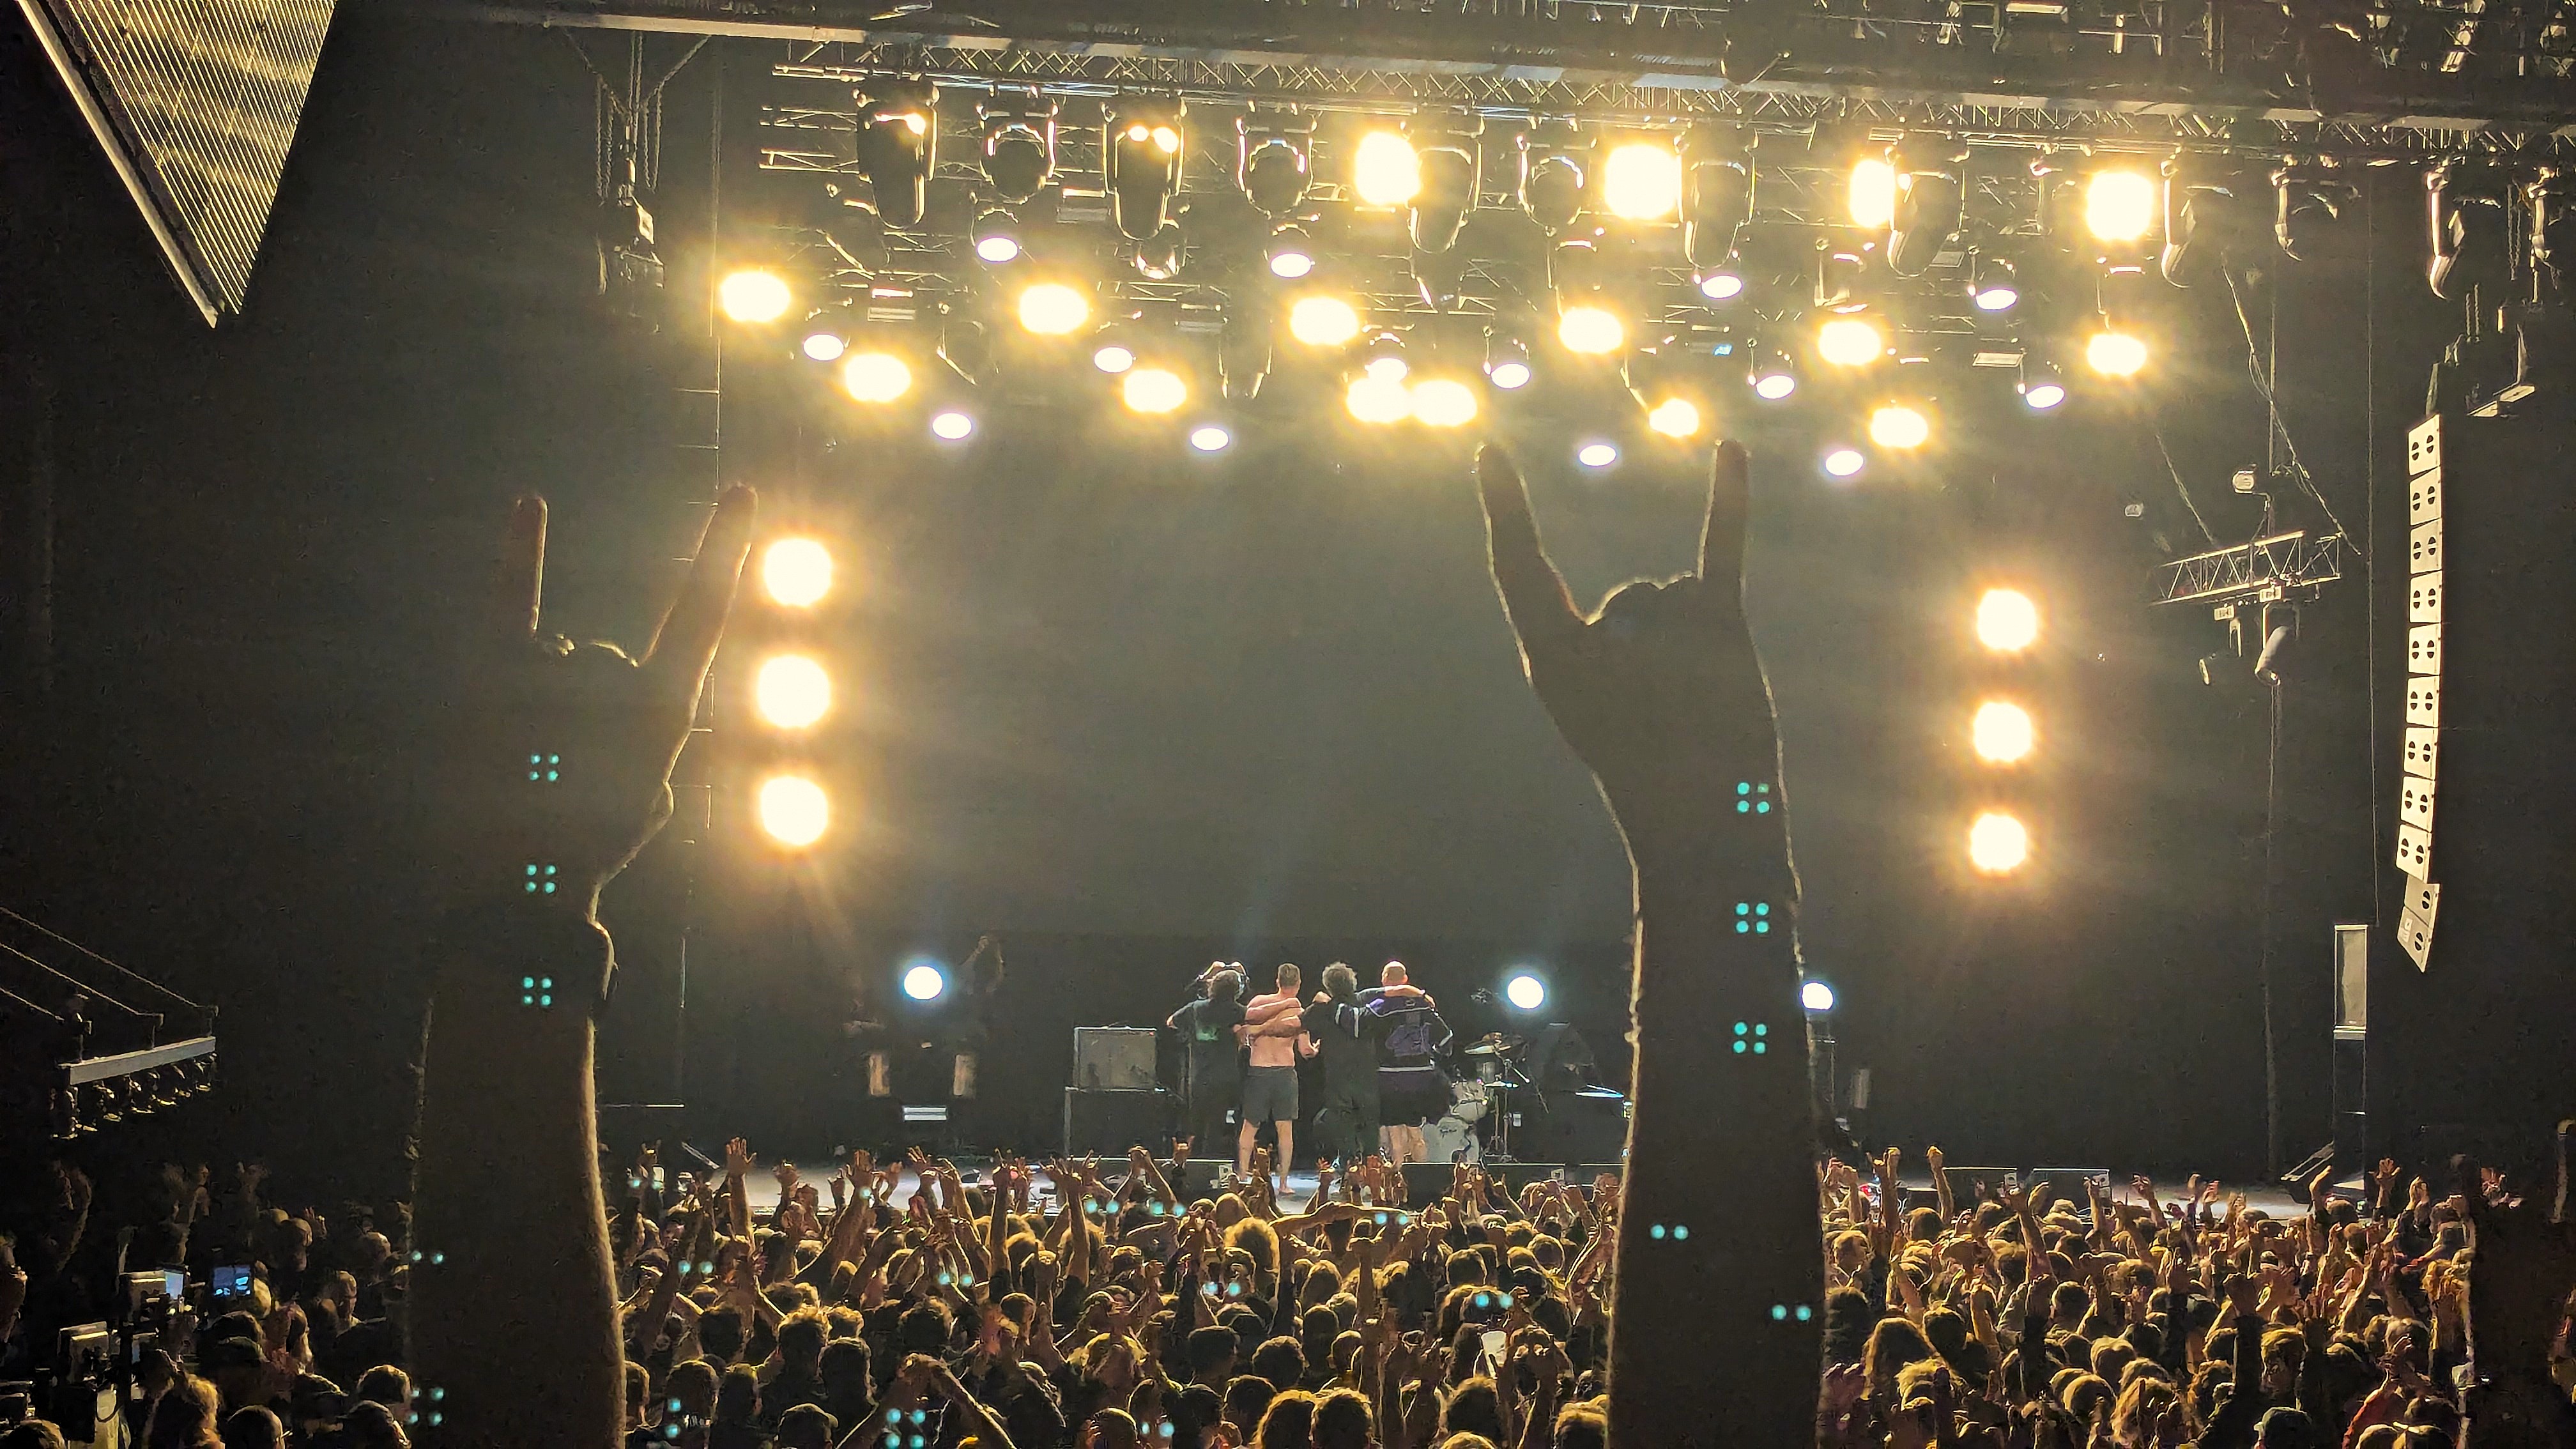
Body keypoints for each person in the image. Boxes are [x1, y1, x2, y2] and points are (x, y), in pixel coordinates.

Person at [1361, 962, 1453, 1167]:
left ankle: (1398, 1180)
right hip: (1421, 1080)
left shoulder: (1379, 1007)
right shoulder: (1425, 1006)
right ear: (1405, 979)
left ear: (1384, 979)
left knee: (1395, 1134)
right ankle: (1420, 1181)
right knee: (1415, 1132)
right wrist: (1434, 1055)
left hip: (1390, 1078)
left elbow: (1359, 1026)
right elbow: (1446, 1039)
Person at [1234, 965, 1313, 1195]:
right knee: (1284, 1129)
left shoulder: (1258, 1002)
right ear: (1298, 984)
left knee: (1249, 1126)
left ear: (1277, 981)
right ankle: (1283, 1183)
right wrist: (1315, 1050)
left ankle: (1241, 1176)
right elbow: (1305, 1050)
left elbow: (1245, 1033)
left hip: (1258, 1070)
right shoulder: (1298, 1010)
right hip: (1284, 1072)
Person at [1300, 965, 1386, 1170]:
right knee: (1370, 1130)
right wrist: (1421, 995)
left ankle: (1349, 1174)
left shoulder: (1321, 1008)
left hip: (1338, 1080)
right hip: (1367, 1078)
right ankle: (1373, 1175)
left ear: (1328, 986)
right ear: (1352, 981)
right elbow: (1393, 991)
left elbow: (1296, 1025)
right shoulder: (1365, 1001)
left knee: (1343, 1130)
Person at [1167, 965, 1249, 1170]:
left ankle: (1187, 1165)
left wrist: (1191, 1031)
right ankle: (1208, 1167)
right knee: (1216, 1124)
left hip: (1198, 1075)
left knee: (1195, 1121)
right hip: (1225, 1076)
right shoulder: (1238, 1011)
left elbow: (1171, 1022)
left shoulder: (1196, 1008)